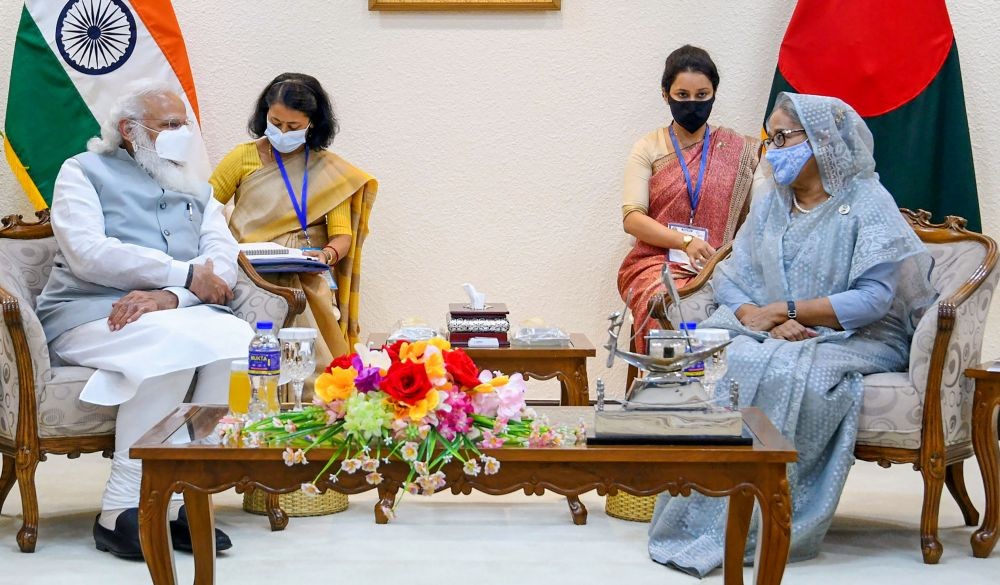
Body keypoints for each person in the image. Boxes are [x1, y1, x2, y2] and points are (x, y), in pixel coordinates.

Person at [647, 93, 937, 576]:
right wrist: (767, 318)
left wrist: (786, 310)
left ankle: (771, 515)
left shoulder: (869, 202)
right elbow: (730, 275)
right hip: (771, 328)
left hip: (858, 337)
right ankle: (704, 514)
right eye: (770, 139)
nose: (773, 149)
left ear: (822, 140)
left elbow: (873, 300)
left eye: (783, 138)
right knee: (732, 359)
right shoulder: (772, 203)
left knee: (784, 369)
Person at [35, 80, 253, 558]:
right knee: (172, 346)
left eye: (184, 125)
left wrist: (173, 296)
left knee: (237, 342)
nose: (180, 134)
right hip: (88, 314)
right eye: (168, 125)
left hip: (172, 315)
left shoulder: (196, 185)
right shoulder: (83, 171)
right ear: (129, 131)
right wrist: (184, 274)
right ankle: (119, 510)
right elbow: (89, 253)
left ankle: (179, 500)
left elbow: (223, 258)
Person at [211, 73, 377, 369]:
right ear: (265, 115)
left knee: (313, 373)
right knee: (253, 367)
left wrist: (325, 255)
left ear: (312, 125)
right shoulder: (241, 158)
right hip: (250, 281)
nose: (282, 132)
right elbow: (205, 211)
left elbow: (342, 236)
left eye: (293, 127)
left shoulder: (328, 171)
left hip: (307, 284)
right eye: (275, 123)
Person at [617, 45, 761, 354]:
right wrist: (684, 242)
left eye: (702, 95)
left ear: (714, 93)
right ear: (665, 93)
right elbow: (632, 218)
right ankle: (667, 391)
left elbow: (758, 217)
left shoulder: (738, 149)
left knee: (757, 311)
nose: (692, 104)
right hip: (656, 263)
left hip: (721, 264)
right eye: (682, 95)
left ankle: (722, 395)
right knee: (668, 303)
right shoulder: (649, 147)